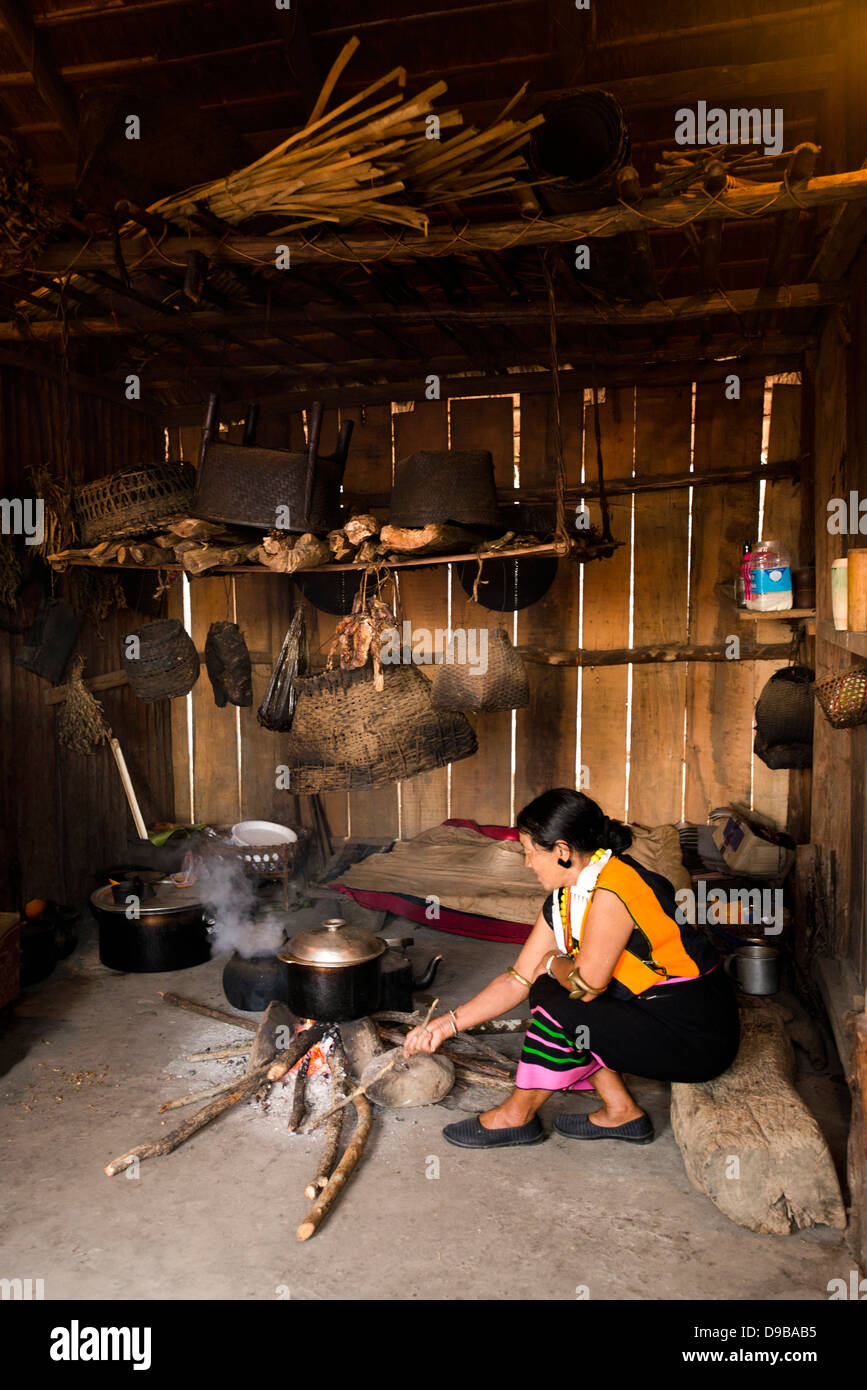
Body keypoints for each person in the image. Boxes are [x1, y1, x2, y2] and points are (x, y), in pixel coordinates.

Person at [403, 788, 740, 1148]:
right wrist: (445, 1025)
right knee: (549, 990)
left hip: (696, 1036)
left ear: (562, 851)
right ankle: (621, 1111)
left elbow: (587, 984)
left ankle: (516, 1116)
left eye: (531, 852)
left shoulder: (615, 888)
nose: (527, 863)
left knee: (556, 997)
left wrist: (551, 962)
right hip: (651, 1013)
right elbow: (517, 979)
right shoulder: (567, 896)